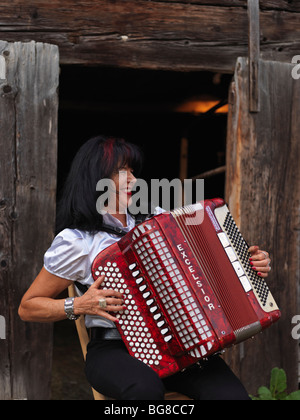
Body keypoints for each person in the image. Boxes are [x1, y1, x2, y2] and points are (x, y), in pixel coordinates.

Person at [19, 135, 272, 400]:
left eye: (132, 171)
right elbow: (28, 307)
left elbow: (203, 269)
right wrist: (79, 305)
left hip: (181, 347)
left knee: (233, 397)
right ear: (96, 178)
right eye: (121, 171)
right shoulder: (77, 241)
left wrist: (246, 264)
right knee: (144, 391)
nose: (133, 180)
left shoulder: (158, 220)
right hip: (113, 349)